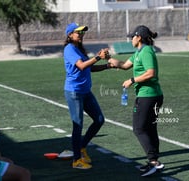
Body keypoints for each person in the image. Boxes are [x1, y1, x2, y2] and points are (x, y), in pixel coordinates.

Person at [108, 25, 164, 177]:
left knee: (139, 128)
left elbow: (151, 73)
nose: (130, 39)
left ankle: (154, 162)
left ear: (139, 37)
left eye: (132, 36)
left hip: (149, 96)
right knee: (150, 129)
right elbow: (124, 65)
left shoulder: (146, 51)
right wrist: (108, 59)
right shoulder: (138, 52)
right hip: (151, 95)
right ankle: (154, 161)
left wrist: (132, 80)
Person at [63, 22, 112, 169]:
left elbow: (89, 68)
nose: (81, 34)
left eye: (82, 32)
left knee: (99, 120)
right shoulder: (69, 49)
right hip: (74, 92)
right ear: (70, 35)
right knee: (77, 125)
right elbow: (82, 66)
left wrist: (107, 66)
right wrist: (98, 56)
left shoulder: (79, 49)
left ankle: (82, 147)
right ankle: (76, 160)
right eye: (78, 32)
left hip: (85, 91)